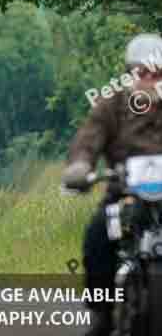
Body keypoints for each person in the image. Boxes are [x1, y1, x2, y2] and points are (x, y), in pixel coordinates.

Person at [62, 33, 162, 336]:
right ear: (130, 73)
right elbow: (88, 140)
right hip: (124, 194)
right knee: (97, 241)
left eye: (157, 72)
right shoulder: (110, 105)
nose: (149, 78)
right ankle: (102, 314)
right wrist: (80, 166)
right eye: (142, 72)